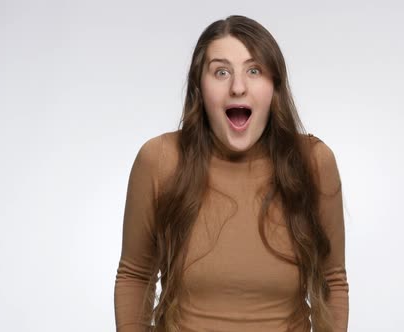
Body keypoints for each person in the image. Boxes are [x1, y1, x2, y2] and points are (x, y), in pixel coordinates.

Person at [114, 15, 349, 332]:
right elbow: (136, 275)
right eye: (221, 72)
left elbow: (332, 280)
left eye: (254, 71)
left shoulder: (313, 162)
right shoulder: (159, 160)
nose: (238, 87)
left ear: (274, 86)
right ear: (200, 86)